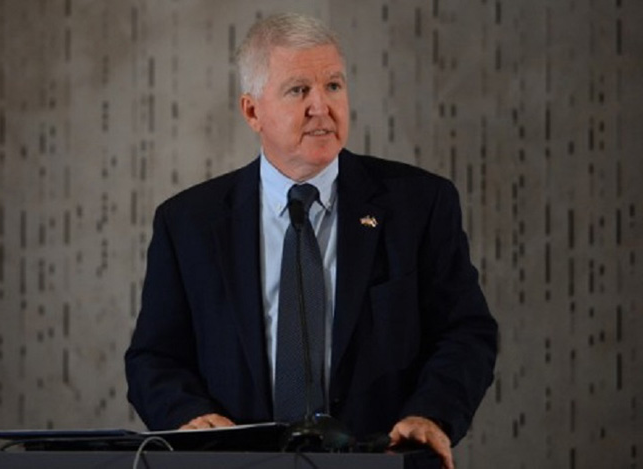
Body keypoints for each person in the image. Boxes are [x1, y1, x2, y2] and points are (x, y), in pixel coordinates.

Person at [125, 13, 497, 469]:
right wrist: (187, 415)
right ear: (252, 111)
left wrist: (431, 414)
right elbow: (154, 357)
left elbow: (466, 332)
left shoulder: (419, 204)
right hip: (235, 463)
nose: (321, 106)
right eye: (299, 90)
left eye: (333, 86)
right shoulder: (188, 223)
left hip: (380, 459)